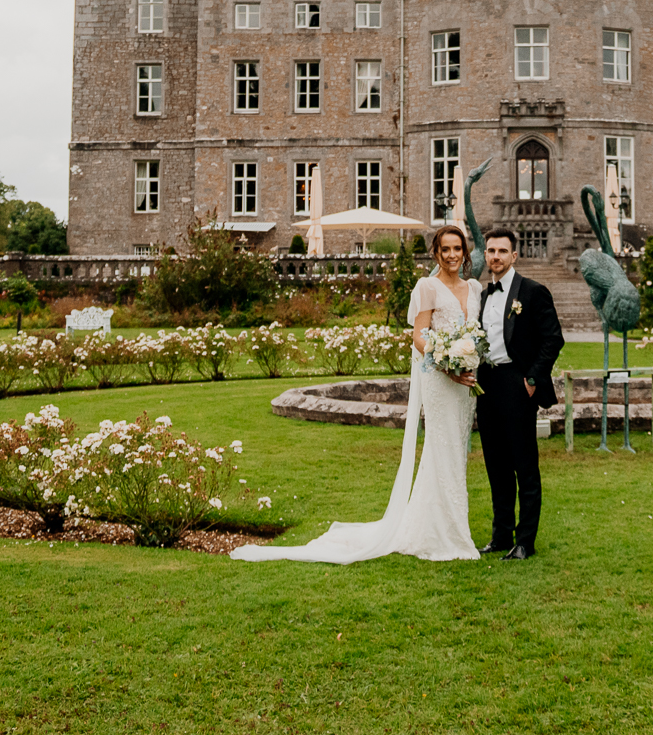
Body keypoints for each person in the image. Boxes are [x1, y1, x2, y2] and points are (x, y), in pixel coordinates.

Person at [229, 225, 481, 564]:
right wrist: (445, 362)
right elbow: (419, 336)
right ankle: (446, 535)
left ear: (465, 252)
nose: (452, 255)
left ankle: (445, 526)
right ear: (436, 252)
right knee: (441, 449)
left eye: (457, 249)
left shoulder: (474, 288)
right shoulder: (428, 286)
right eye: (446, 249)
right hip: (441, 378)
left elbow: (475, 332)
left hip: (466, 384)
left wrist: (469, 356)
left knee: (456, 451)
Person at [473, 226, 564, 559]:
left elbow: (553, 339)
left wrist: (531, 379)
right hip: (486, 385)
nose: (495, 257)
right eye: (491, 251)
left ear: (514, 255)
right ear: (486, 255)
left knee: (524, 465)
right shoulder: (481, 296)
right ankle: (500, 535)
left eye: (502, 251)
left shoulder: (533, 291)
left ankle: (525, 541)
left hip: (517, 383)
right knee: (496, 465)